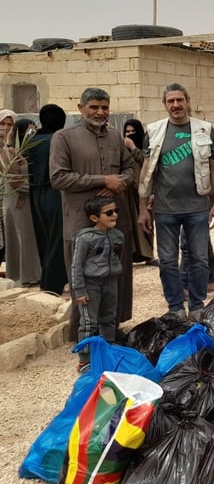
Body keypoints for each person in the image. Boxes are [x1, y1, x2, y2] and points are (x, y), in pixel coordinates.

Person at [50, 87, 136, 332]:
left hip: (115, 220)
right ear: (80, 108)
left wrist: (121, 181)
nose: (100, 112)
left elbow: (130, 169)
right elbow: (58, 178)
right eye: (94, 107)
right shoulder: (63, 137)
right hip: (81, 221)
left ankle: (112, 327)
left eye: (105, 107)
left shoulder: (115, 137)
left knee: (115, 273)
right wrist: (102, 180)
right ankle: (85, 332)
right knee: (83, 275)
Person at [138, 84, 214, 321]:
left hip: (198, 207)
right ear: (165, 104)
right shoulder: (154, 131)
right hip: (164, 209)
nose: (175, 105)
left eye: (179, 100)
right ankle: (175, 307)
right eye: (170, 101)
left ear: (188, 101)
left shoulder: (205, 129)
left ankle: (196, 306)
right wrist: (142, 208)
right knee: (167, 261)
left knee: (199, 259)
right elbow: (146, 171)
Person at [71, 196, 124, 373]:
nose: (114, 215)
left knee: (109, 318)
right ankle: (84, 360)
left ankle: (107, 352)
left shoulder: (117, 235)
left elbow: (117, 257)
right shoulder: (84, 239)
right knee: (88, 323)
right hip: (90, 284)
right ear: (94, 218)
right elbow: (76, 265)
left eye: (116, 211)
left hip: (110, 282)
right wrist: (79, 290)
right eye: (109, 213)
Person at [25, 105, 69, 294]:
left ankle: (47, 278)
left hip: (36, 194)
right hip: (55, 192)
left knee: (44, 237)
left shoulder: (31, 140)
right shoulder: (58, 139)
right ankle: (52, 284)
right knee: (58, 238)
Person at [2, 118, 42, 286]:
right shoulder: (9, 152)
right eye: (28, 131)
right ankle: (23, 275)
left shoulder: (26, 152)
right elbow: (14, 180)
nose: (31, 134)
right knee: (21, 237)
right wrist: (36, 189)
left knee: (29, 237)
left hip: (26, 197)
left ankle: (32, 273)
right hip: (17, 198)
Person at [123, 119, 155, 265]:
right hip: (128, 192)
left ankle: (148, 255)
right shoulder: (122, 148)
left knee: (147, 222)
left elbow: (146, 162)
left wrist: (134, 148)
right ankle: (133, 254)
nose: (130, 134)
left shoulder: (145, 146)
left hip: (143, 191)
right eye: (127, 132)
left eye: (133, 132)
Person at [0, 109, 15, 269]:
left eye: (9, 124)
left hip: (8, 196)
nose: (5, 127)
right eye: (2, 123)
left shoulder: (14, 145)